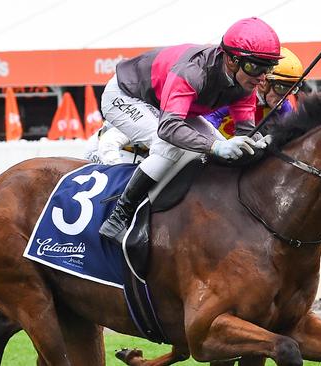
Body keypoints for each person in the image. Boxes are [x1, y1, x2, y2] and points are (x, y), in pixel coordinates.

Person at [99, 17, 282, 245]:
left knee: (221, 148)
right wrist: (216, 146)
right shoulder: (193, 71)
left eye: (268, 68)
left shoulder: (246, 85)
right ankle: (119, 217)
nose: (262, 77)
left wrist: (261, 144)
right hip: (126, 96)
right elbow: (168, 128)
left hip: (165, 105)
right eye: (256, 67)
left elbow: (246, 134)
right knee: (171, 146)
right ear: (232, 60)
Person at [205, 47, 304, 138]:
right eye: (282, 88)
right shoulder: (236, 95)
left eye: (292, 90)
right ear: (263, 83)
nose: (285, 97)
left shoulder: (284, 106)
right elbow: (208, 121)